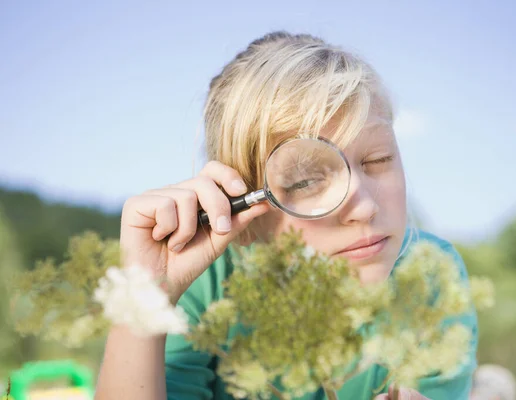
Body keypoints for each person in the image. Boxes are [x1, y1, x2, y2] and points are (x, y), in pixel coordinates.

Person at [94, 31, 479, 400]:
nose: (364, 207)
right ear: (242, 203)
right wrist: (145, 296)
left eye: (378, 160)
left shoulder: (429, 273)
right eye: (305, 180)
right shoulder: (197, 281)